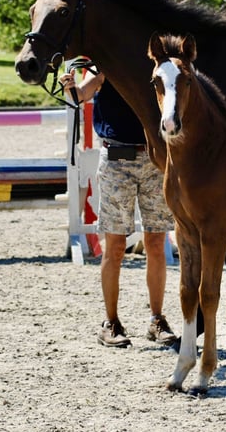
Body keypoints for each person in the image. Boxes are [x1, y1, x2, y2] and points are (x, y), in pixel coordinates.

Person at [59, 63, 177, 348]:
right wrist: (70, 86)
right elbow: (80, 97)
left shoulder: (154, 65)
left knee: (156, 243)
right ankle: (110, 322)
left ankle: (156, 319)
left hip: (154, 159)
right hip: (115, 160)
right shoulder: (103, 62)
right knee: (114, 246)